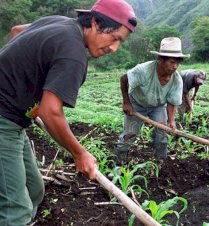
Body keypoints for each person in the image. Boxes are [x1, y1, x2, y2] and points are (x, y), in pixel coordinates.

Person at [0, 0, 137, 224]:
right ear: (95, 23)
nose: (114, 48)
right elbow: (50, 111)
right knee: (16, 209)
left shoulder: (60, 23)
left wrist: (22, 83)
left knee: (34, 190)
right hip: (3, 121)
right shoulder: (73, 54)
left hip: (14, 122)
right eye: (114, 38)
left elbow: (16, 32)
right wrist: (79, 153)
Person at [115, 37, 188, 165]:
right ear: (160, 59)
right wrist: (126, 102)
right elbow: (124, 79)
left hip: (158, 106)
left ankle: (161, 163)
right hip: (137, 104)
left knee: (162, 135)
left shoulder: (177, 80)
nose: (175, 66)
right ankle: (118, 164)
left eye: (177, 63)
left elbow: (172, 101)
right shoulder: (143, 70)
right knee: (129, 134)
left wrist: (171, 121)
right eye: (171, 62)